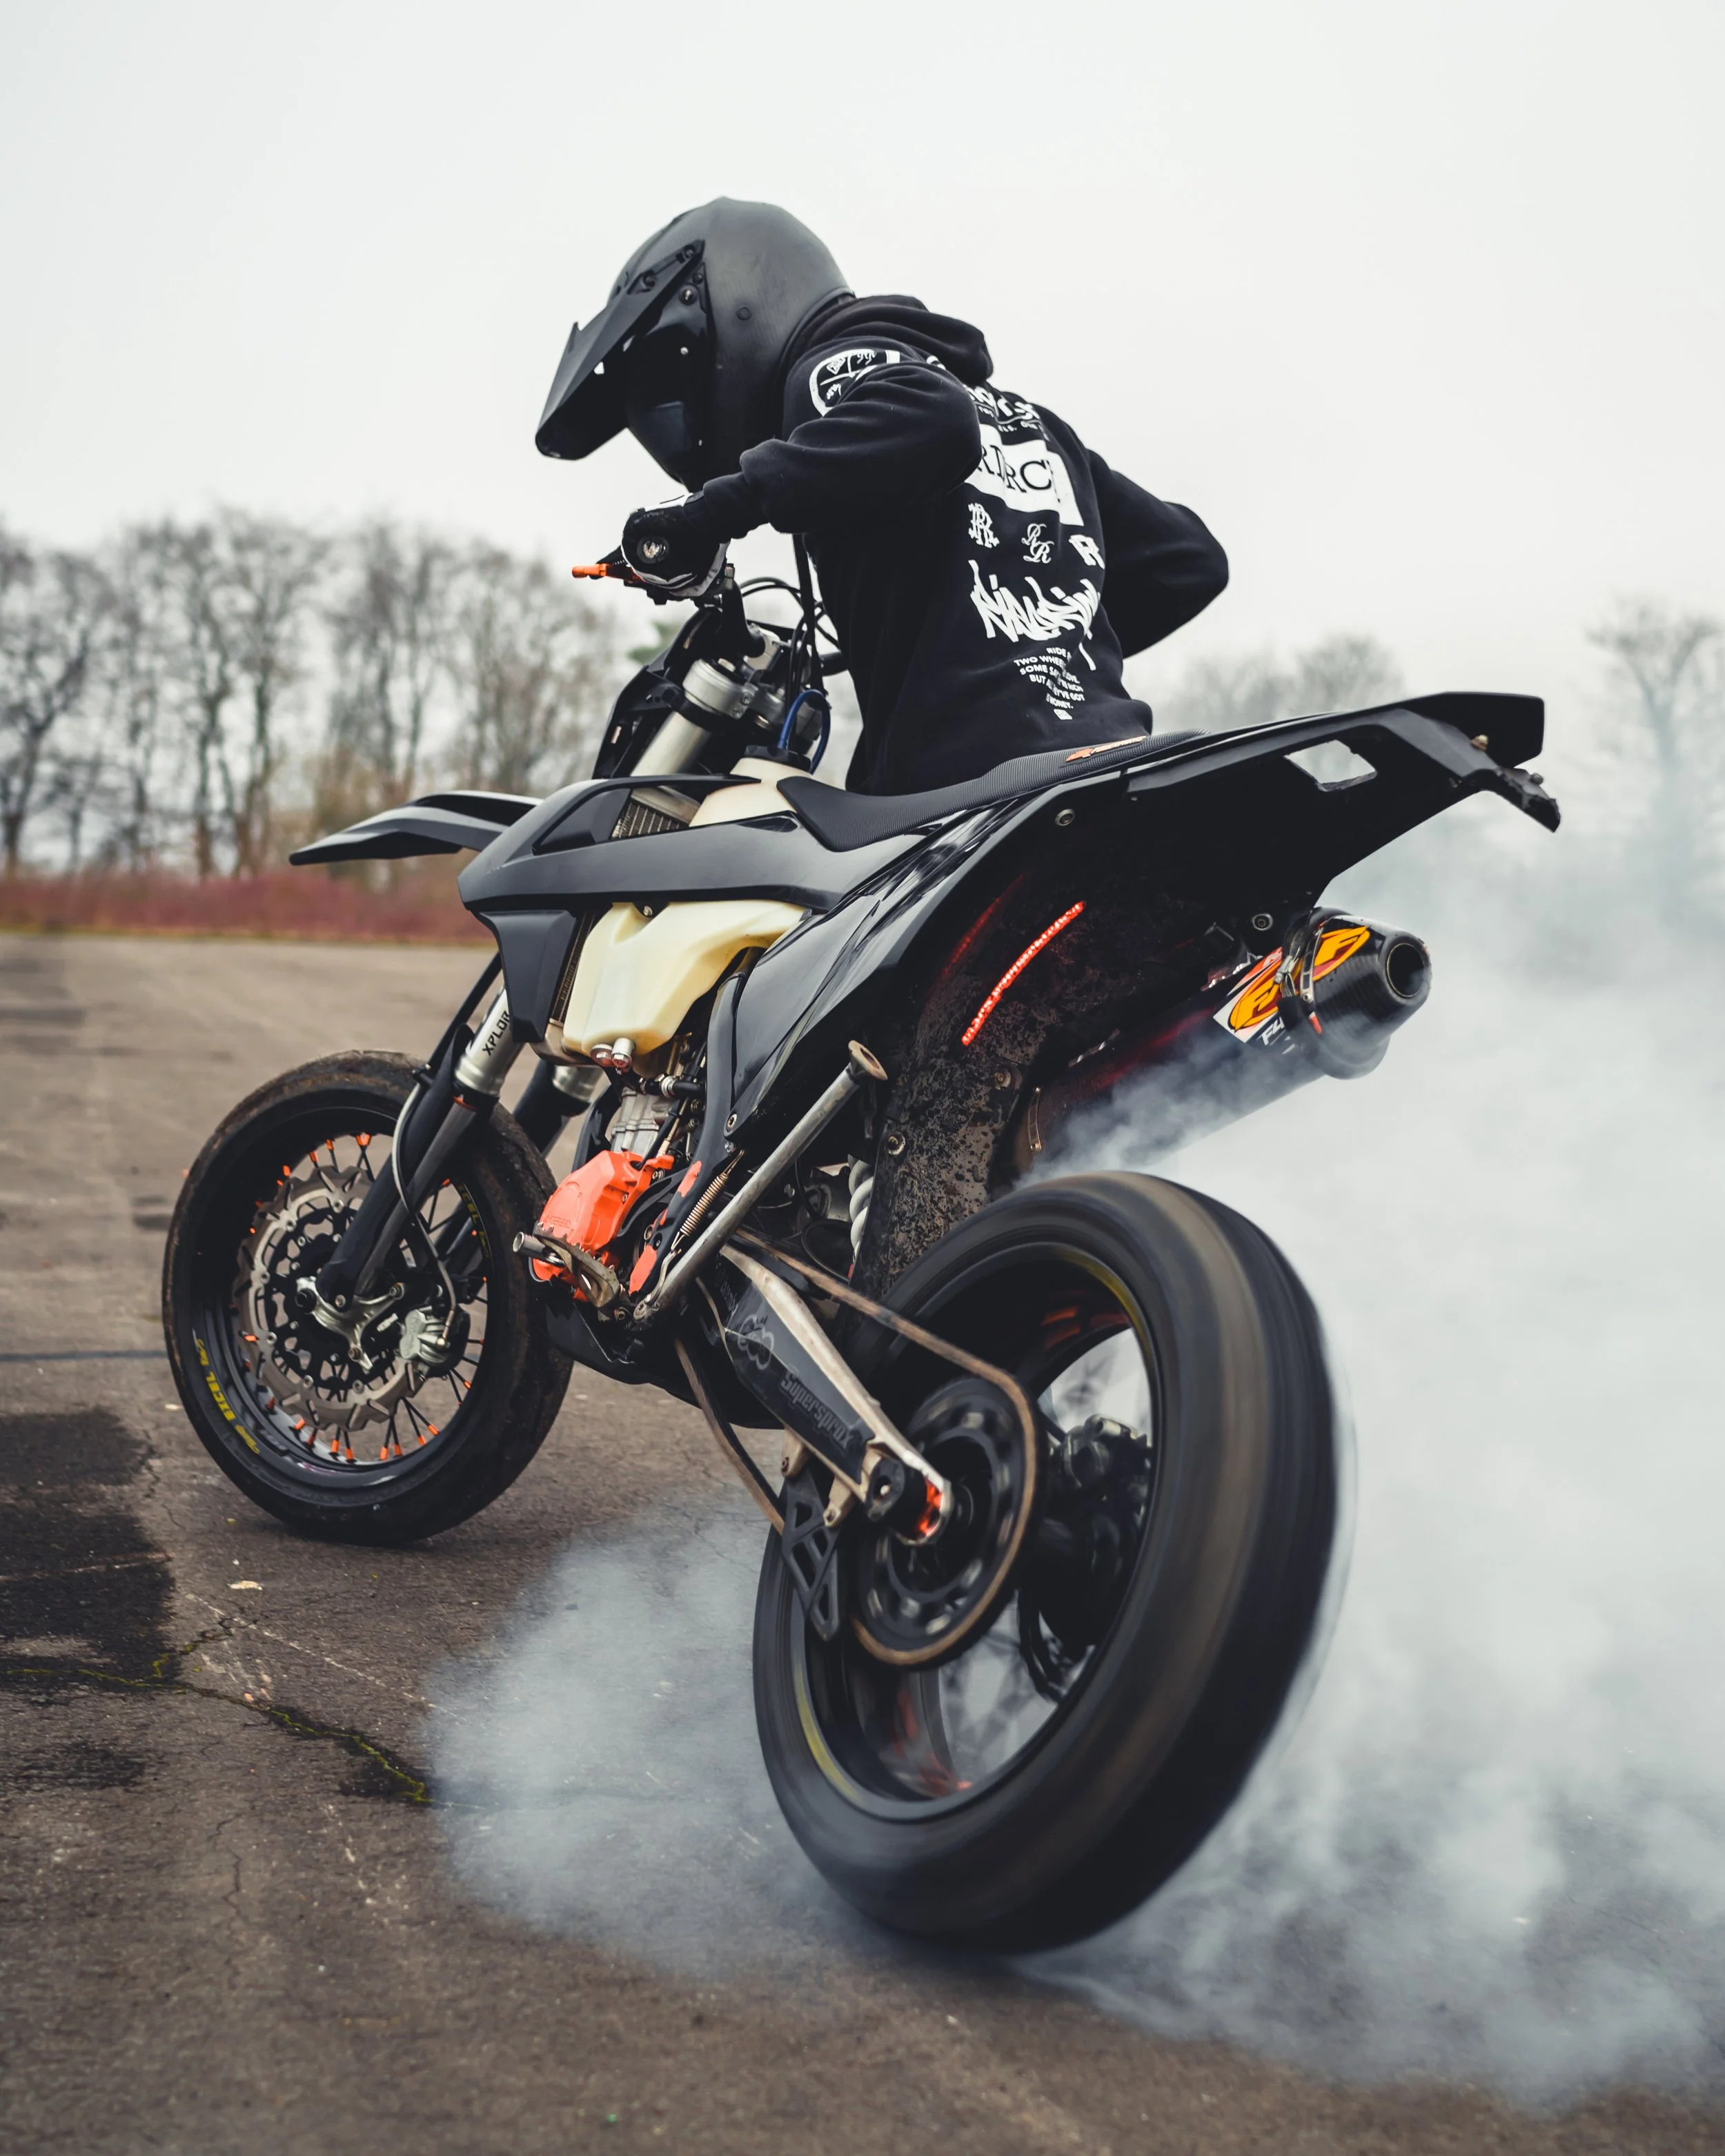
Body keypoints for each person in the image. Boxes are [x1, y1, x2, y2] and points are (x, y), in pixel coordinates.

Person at [536, 199, 1228, 797]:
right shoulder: (1031, 425)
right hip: (1107, 761)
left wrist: (705, 516)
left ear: (734, 302)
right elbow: (1189, 562)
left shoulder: (829, 369)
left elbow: (932, 420)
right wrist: (1027, 641)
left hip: (961, 797)